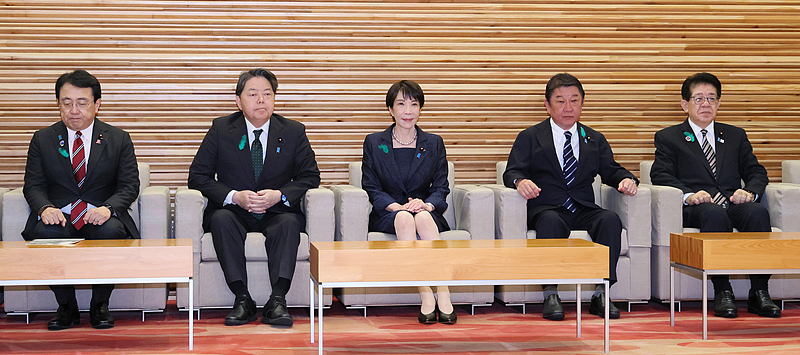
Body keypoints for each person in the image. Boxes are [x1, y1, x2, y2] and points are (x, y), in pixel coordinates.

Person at [188, 68, 320, 327]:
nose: (261, 100)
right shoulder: (221, 129)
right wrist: (233, 196)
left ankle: (278, 301)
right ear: (238, 101)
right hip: (235, 211)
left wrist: (280, 195)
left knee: (289, 224)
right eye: (253, 94)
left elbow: (310, 176)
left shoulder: (293, 131)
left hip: (276, 211)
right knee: (221, 220)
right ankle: (242, 299)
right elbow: (198, 176)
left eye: (267, 94)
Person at [503, 73, 637, 321]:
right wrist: (520, 181)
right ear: (547, 104)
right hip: (547, 207)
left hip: (583, 207)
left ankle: (601, 293)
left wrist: (626, 179)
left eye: (574, 101)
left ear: (582, 103)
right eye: (560, 101)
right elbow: (512, 171)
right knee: (551, 222)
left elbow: (611, 169)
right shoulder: (531, 137)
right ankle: (551, 293)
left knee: (610, 219)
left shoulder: (594, 138)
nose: (568, 108)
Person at [651, 72, 779, 318]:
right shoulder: (669, 137)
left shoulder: (735, 135)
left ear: (719, 103)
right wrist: (689, 195)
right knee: (713, 215)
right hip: (698, 206)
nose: (706, 104)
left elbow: (756, 171)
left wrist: (750, 192)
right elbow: (661, 175)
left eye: (711, 98)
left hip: (732, 202)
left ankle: (760, 292)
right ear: (684, 104)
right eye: (698, 99)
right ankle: (722, 291)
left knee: (758, 213)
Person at [22, 69, 140, 330]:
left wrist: (108, 208)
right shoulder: (43, 139)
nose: (74, 110)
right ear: (58, 104)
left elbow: (130, 185)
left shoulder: (118, 139)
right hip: (60, 214)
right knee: (46, 233)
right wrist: (44, 207)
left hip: (100, 214)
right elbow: (33, 185)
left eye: (82, 102)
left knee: (110, 232)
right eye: (67, 103)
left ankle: (100, 304)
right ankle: (67, 306)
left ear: (97, 105)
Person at [361, 80, 456, 324]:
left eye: (414, 104)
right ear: (390, 110)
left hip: (425, 210)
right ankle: (426, 295)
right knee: (404, 218)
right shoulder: (374, 142)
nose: (408, 111)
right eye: (401, 104)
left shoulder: (433, 142)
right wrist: (396, 206)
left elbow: (441, 186)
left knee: (422, 217)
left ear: (420, 109)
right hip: (389, 213)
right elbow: (371, 186)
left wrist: (426, 205)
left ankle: (443, 292)